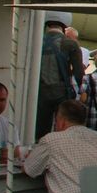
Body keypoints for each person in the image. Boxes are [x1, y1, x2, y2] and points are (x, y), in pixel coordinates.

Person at [36, 12, 84, 141]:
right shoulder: (70, 44)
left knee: (40, 132)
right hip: (61, 93)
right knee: (63, 130)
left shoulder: (37, 41)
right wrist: (82, 91)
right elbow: (79, 73)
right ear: (65, 24)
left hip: (39, 93)